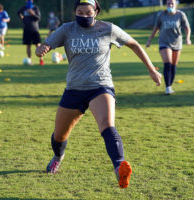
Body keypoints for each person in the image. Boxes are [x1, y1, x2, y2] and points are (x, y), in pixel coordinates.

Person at [36, 0, 161, 189]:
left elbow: (134, 44)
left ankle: (120, 167)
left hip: (100, 86)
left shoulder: (108, 29)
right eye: (80, 12)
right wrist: (42, 48)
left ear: (96, 12)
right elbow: (47, 44)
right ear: (75, 12)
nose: (84, 15)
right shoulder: (67, 29)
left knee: (107, 125)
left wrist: (151, 69)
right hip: (74, 89)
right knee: (59, 136)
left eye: (88, 12)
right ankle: (58, 156)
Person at [146, 0, 191, 95]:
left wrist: (188, 39)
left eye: (172, 3)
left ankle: (169, 85)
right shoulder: (161, 15)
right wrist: (149, 40)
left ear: (176, 5)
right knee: (168, 64)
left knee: (173, 66)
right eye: (169, 3)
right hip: (164, 42)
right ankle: (167, 87)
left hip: (177, 42)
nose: (170, 5)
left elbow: (187, 28)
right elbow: (156, 28)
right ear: (166, 5)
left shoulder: (180, 15)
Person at [17, 0, 44, 66]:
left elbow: (38, 18)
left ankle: (41, 60)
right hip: (26, 29)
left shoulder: (35, 8)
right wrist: (21, 16)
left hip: (34, 30)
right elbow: (18, 12)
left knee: (38, 45)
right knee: (28, 45)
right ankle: (29, 60)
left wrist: (33, 14)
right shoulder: (24, 8)